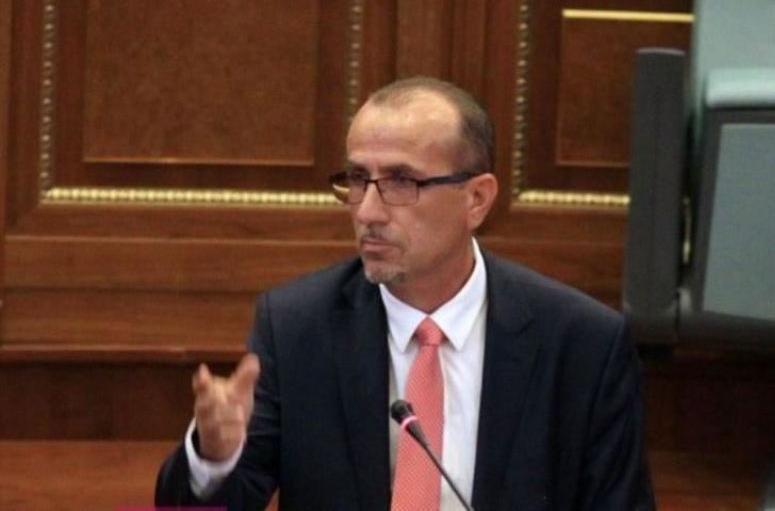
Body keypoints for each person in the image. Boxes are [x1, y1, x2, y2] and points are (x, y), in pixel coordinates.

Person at [156, 76, 655, 510]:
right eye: (358, 179)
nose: (368, 211)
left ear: (477, 199)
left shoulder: (582, 343)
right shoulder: (296, 327)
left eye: (401, 181)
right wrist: (214, 458)